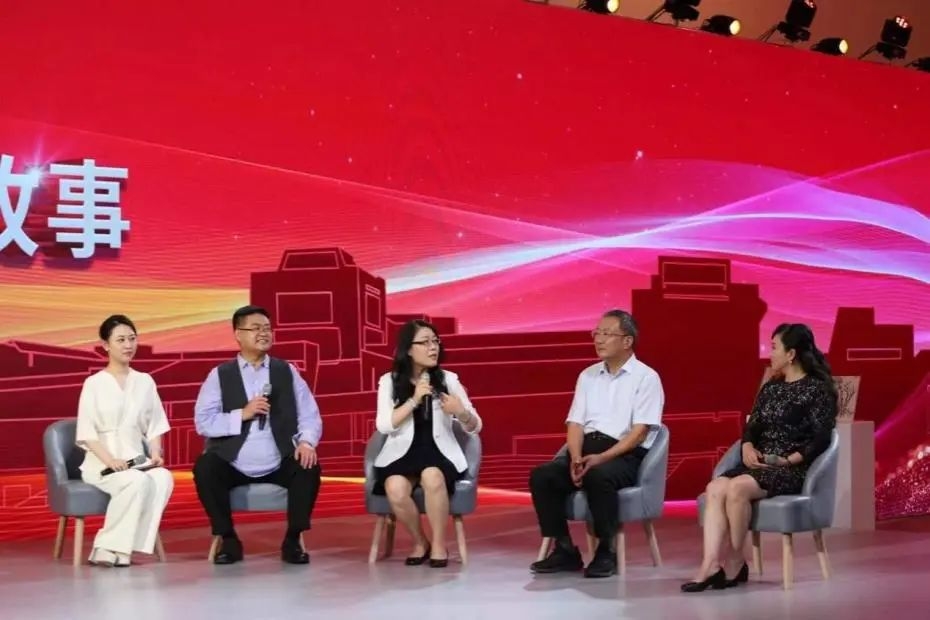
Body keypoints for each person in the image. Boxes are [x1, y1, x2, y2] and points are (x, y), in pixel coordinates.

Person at [681, 323, 838, 593]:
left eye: (774, 347)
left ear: (791, 354)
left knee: (737, 488)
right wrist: (747, 446)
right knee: (716, 487)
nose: (770, 353)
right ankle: (710, 564)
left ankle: (734, 560)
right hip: (757, 464)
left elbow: (822, 437)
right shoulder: (771, 388)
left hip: (790, 468)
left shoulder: (817, 390)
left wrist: (790, 460)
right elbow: (752, 426)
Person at [529, 309, 664, 578]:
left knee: (598, 476)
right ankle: (565, 549)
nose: (598, 339)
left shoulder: (647, 378)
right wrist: (575, 458)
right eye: (596, 333)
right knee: (543, 476)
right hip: (586, 449)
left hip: (624, 454)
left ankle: (606, 551)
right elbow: (575, 423)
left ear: (627, 341)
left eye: (606, 333)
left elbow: (639, 433)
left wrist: (602, 458)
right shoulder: (587, 375)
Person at [192, 305, 323, 565]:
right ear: (238, 334)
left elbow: (309, 414)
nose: (263, 333)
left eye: (267, 328)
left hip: (279, 458)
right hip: (234, 461)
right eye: (255, 328)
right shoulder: (220, 375)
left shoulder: (286, 371)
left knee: (308, 466)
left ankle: (292, 539)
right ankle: (228, 539)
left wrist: (307, 442)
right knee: (205, 467)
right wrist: (242, 413)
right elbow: (203, 422)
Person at [372, 319, 482, 568]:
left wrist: (461, 412)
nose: (433, 347)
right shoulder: (389, 381)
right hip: (402, 454)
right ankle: (421, 542)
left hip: (440, 453)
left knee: (432, 476)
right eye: (425, 342)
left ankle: (440, 545)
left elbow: (475, 426)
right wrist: (413, 400)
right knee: (395, 487)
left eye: (436, 342)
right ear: (409, 349)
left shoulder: (448, 380)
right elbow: (384, 426)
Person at [75, 314, 174, 567]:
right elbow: (87, 432)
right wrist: (111, 460)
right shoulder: (94, 383)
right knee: (135, 481)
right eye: (120, 340)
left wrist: (155, 452)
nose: (128, 345)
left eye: (132, 338)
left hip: (135, 459)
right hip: (101, 462)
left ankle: (120, 548)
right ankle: (108, 547)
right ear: (105, 345)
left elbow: (155, 424)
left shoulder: (145, 381)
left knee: (163, 478)